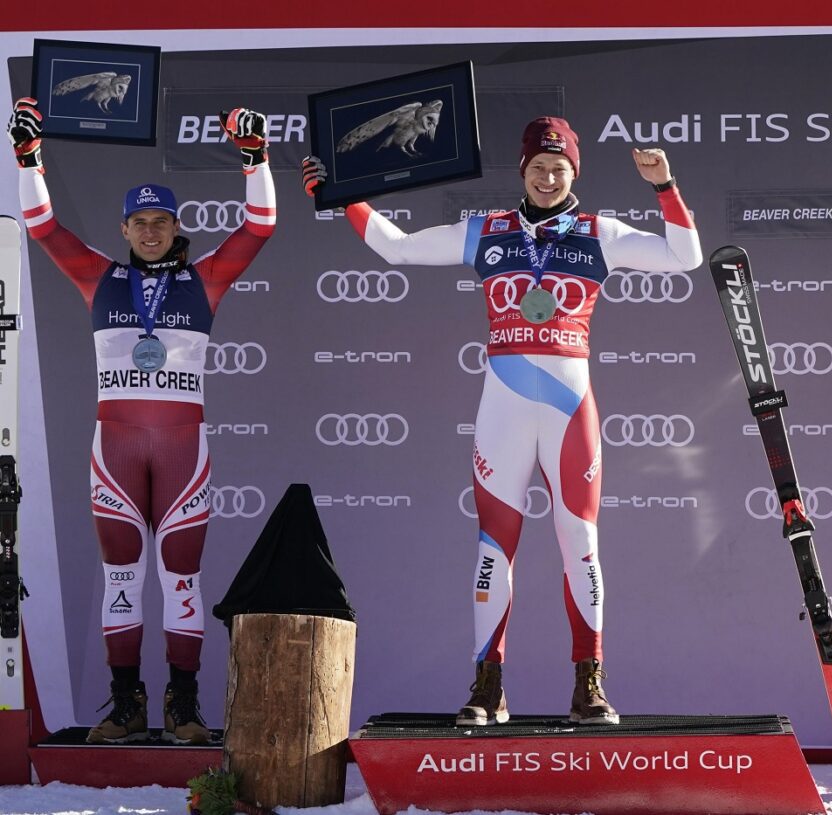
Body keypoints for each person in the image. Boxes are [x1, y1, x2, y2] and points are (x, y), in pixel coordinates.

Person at [303, 116, 701, 726]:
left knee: (581, 544)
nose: (548, 178)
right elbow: (398, 246)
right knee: (493, 548)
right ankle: (488, 684)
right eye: (538, 168)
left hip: (571, 410)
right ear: (522, 170)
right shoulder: (485, 231)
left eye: (559, 168)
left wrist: (663, 185)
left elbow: (686, 257)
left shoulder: (602, 232)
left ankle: (588, 683)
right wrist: (339, 196)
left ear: (575, 172)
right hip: (503, 408)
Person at [6, 98, 277, 744]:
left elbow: (259, 226)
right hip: (116, 454)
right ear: (124, 230)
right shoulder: (100, 279)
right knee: (122, 577)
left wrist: (255, 159)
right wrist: (28, 157)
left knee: (181, 581)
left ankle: (183, 707)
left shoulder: (203, 280)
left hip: (185, 457)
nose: (151, 231)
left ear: (176, 227)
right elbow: (41, 224)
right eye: (140, 222)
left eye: (161, 221)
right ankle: (126, 703)